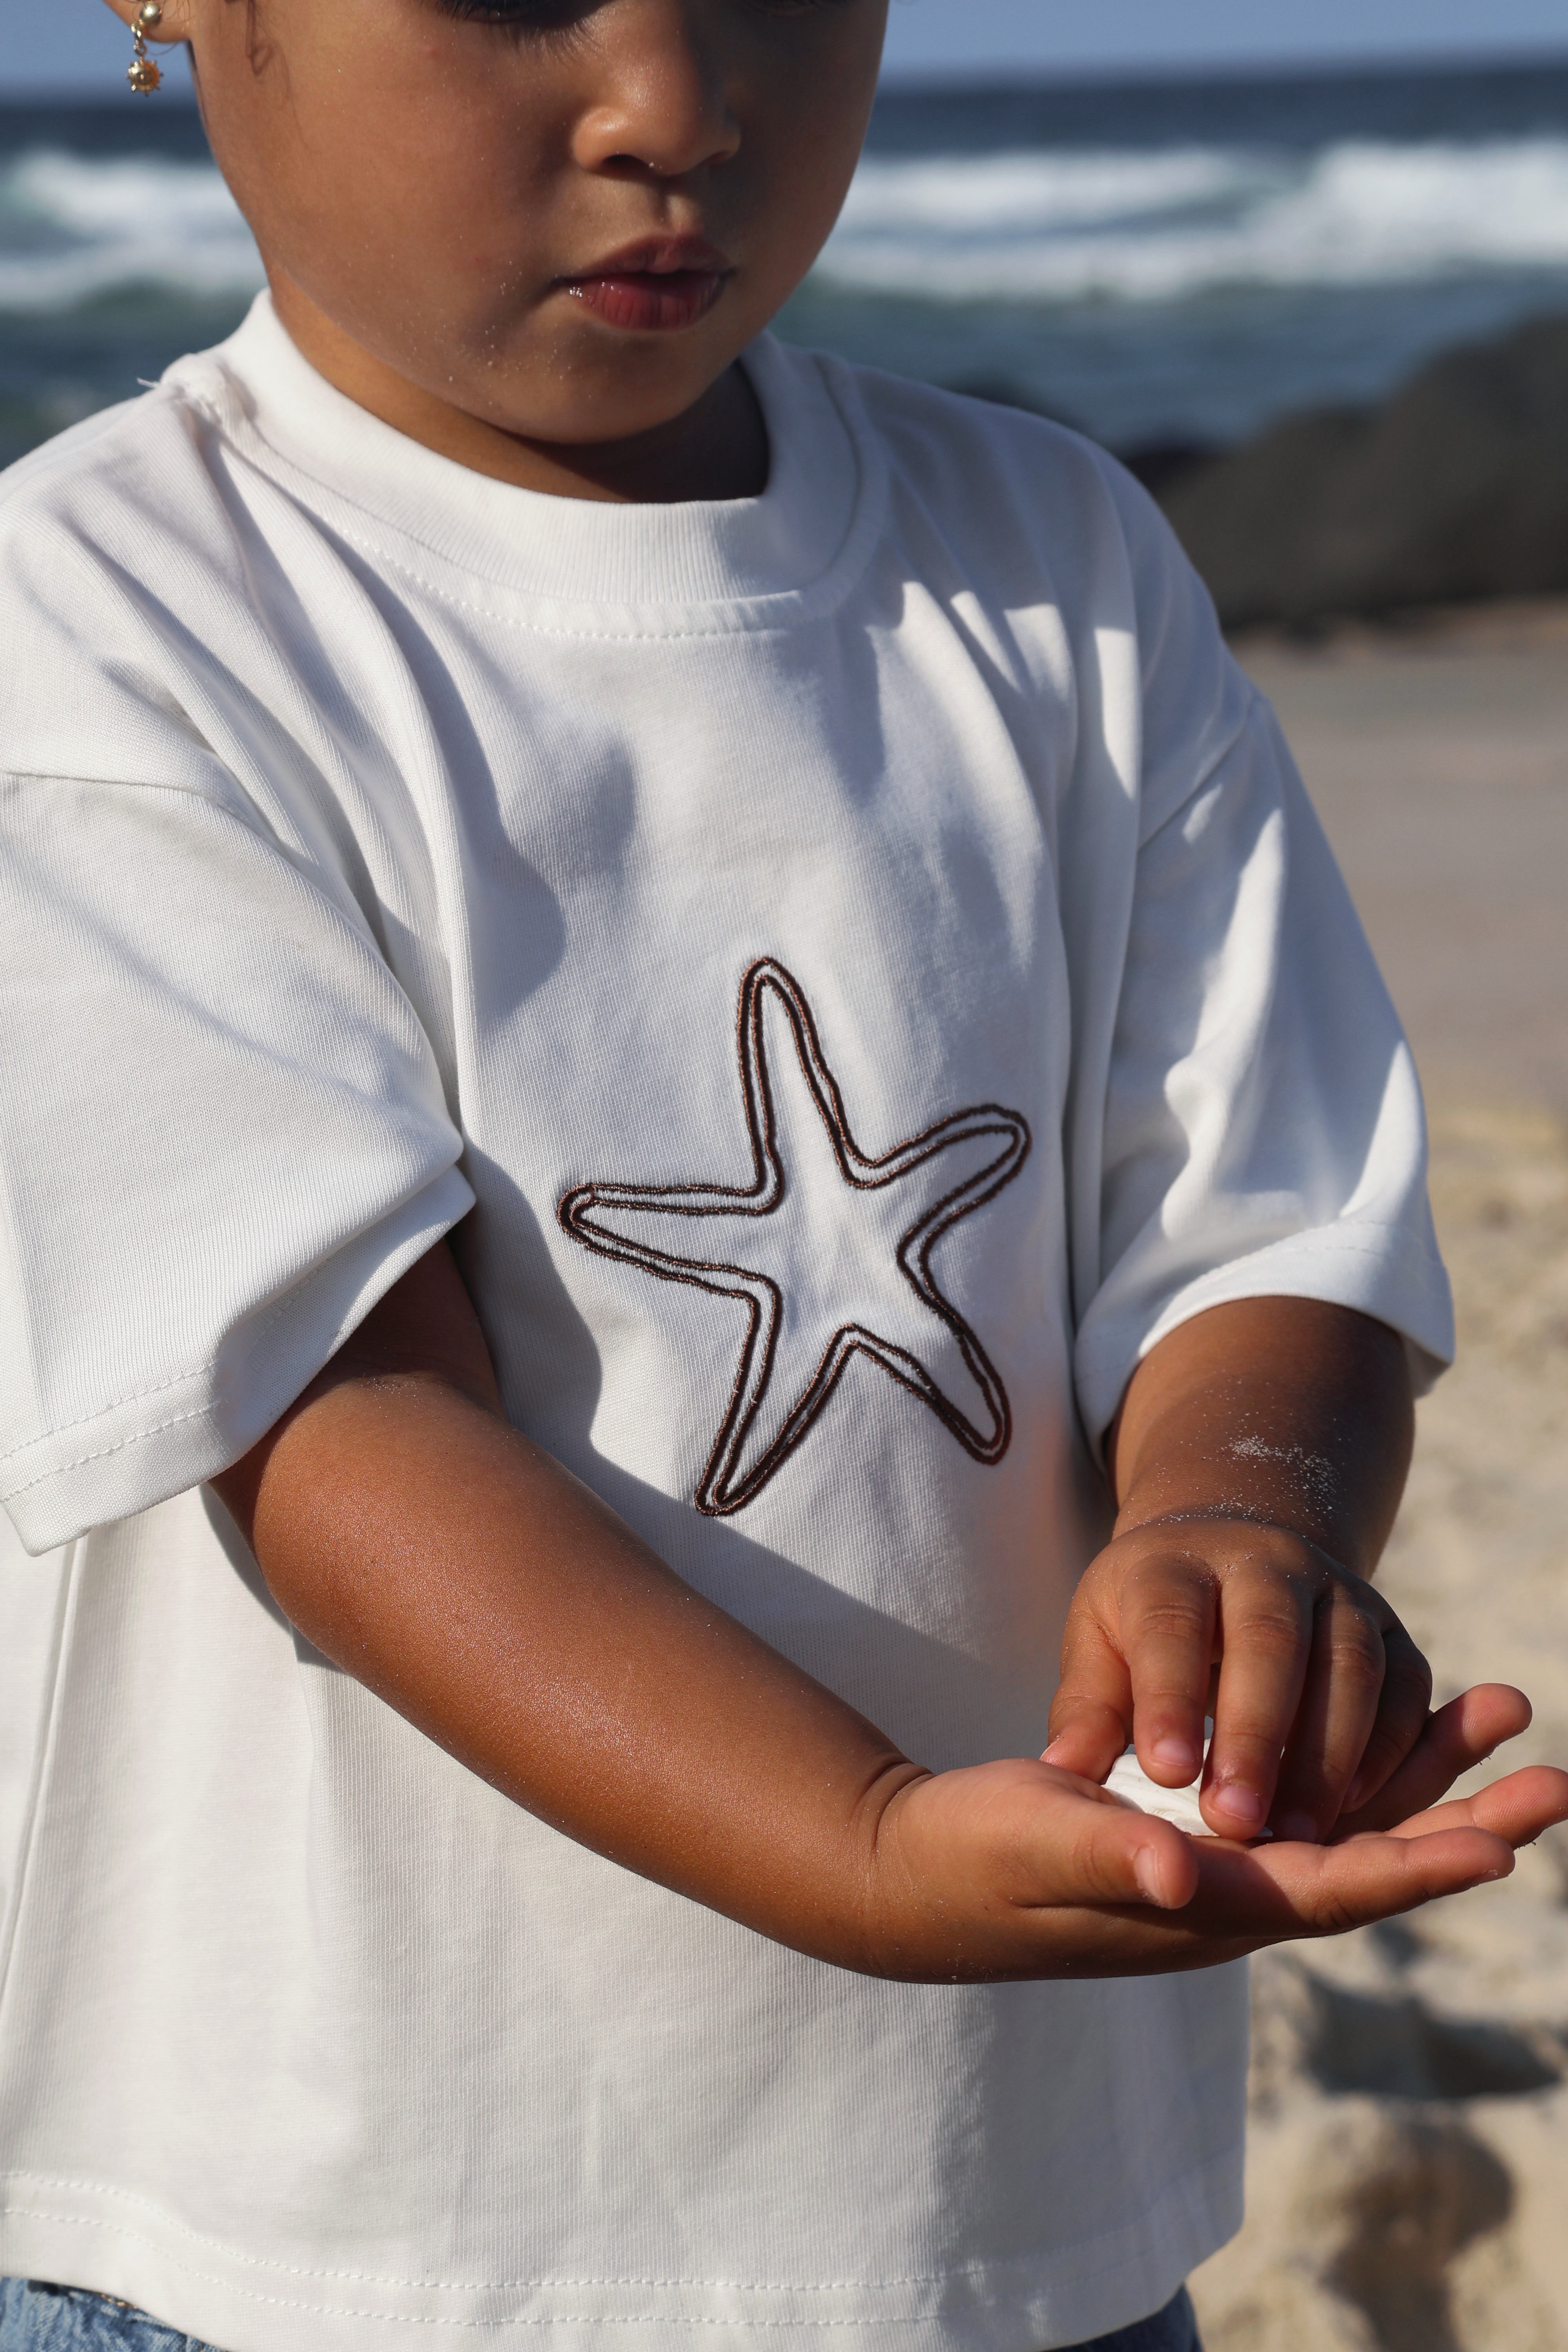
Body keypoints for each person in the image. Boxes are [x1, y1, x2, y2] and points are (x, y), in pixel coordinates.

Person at [0, 4, 1563, 2351]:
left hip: (1006, 2218)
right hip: (342, 2229)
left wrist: (1240, 1516)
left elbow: (1268, 1222)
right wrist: (852, 1844)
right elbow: (338, 1417)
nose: (674, 105)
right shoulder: (109, 623)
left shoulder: (1057, 567)